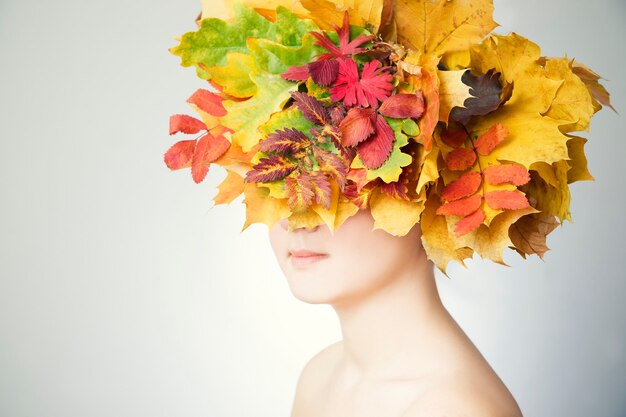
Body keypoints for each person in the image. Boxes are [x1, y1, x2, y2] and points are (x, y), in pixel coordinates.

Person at [269, 208, 523, 417]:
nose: (295, 218)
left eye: (344, 183)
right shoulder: (319, 376)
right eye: (274, 184)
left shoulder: (456, 409)